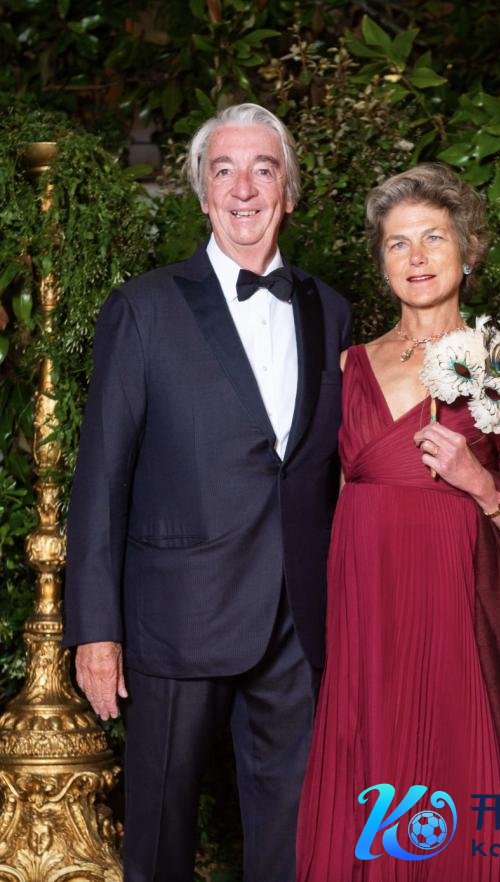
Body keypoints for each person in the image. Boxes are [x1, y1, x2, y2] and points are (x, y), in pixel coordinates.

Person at [62, 103, 351, 882]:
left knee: (293, 847)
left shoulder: (331, 310)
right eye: (224, 170)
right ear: (202, 193)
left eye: (263, 169)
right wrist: (96, 629)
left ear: (290, 190)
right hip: (176, 617)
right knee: (159, 844)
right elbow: (102, 477)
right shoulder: (143, 308)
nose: (243, 188)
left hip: (297, 623)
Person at [296, 163, 500, 881]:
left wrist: (481, 483)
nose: (416, 257)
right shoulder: (348, 366)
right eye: (398, 243)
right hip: (367, 599)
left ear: (468, 249)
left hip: (459, 602)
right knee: (373, 763)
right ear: (381, 261)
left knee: (455, 757)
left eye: (434, 238)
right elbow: (316, 492)